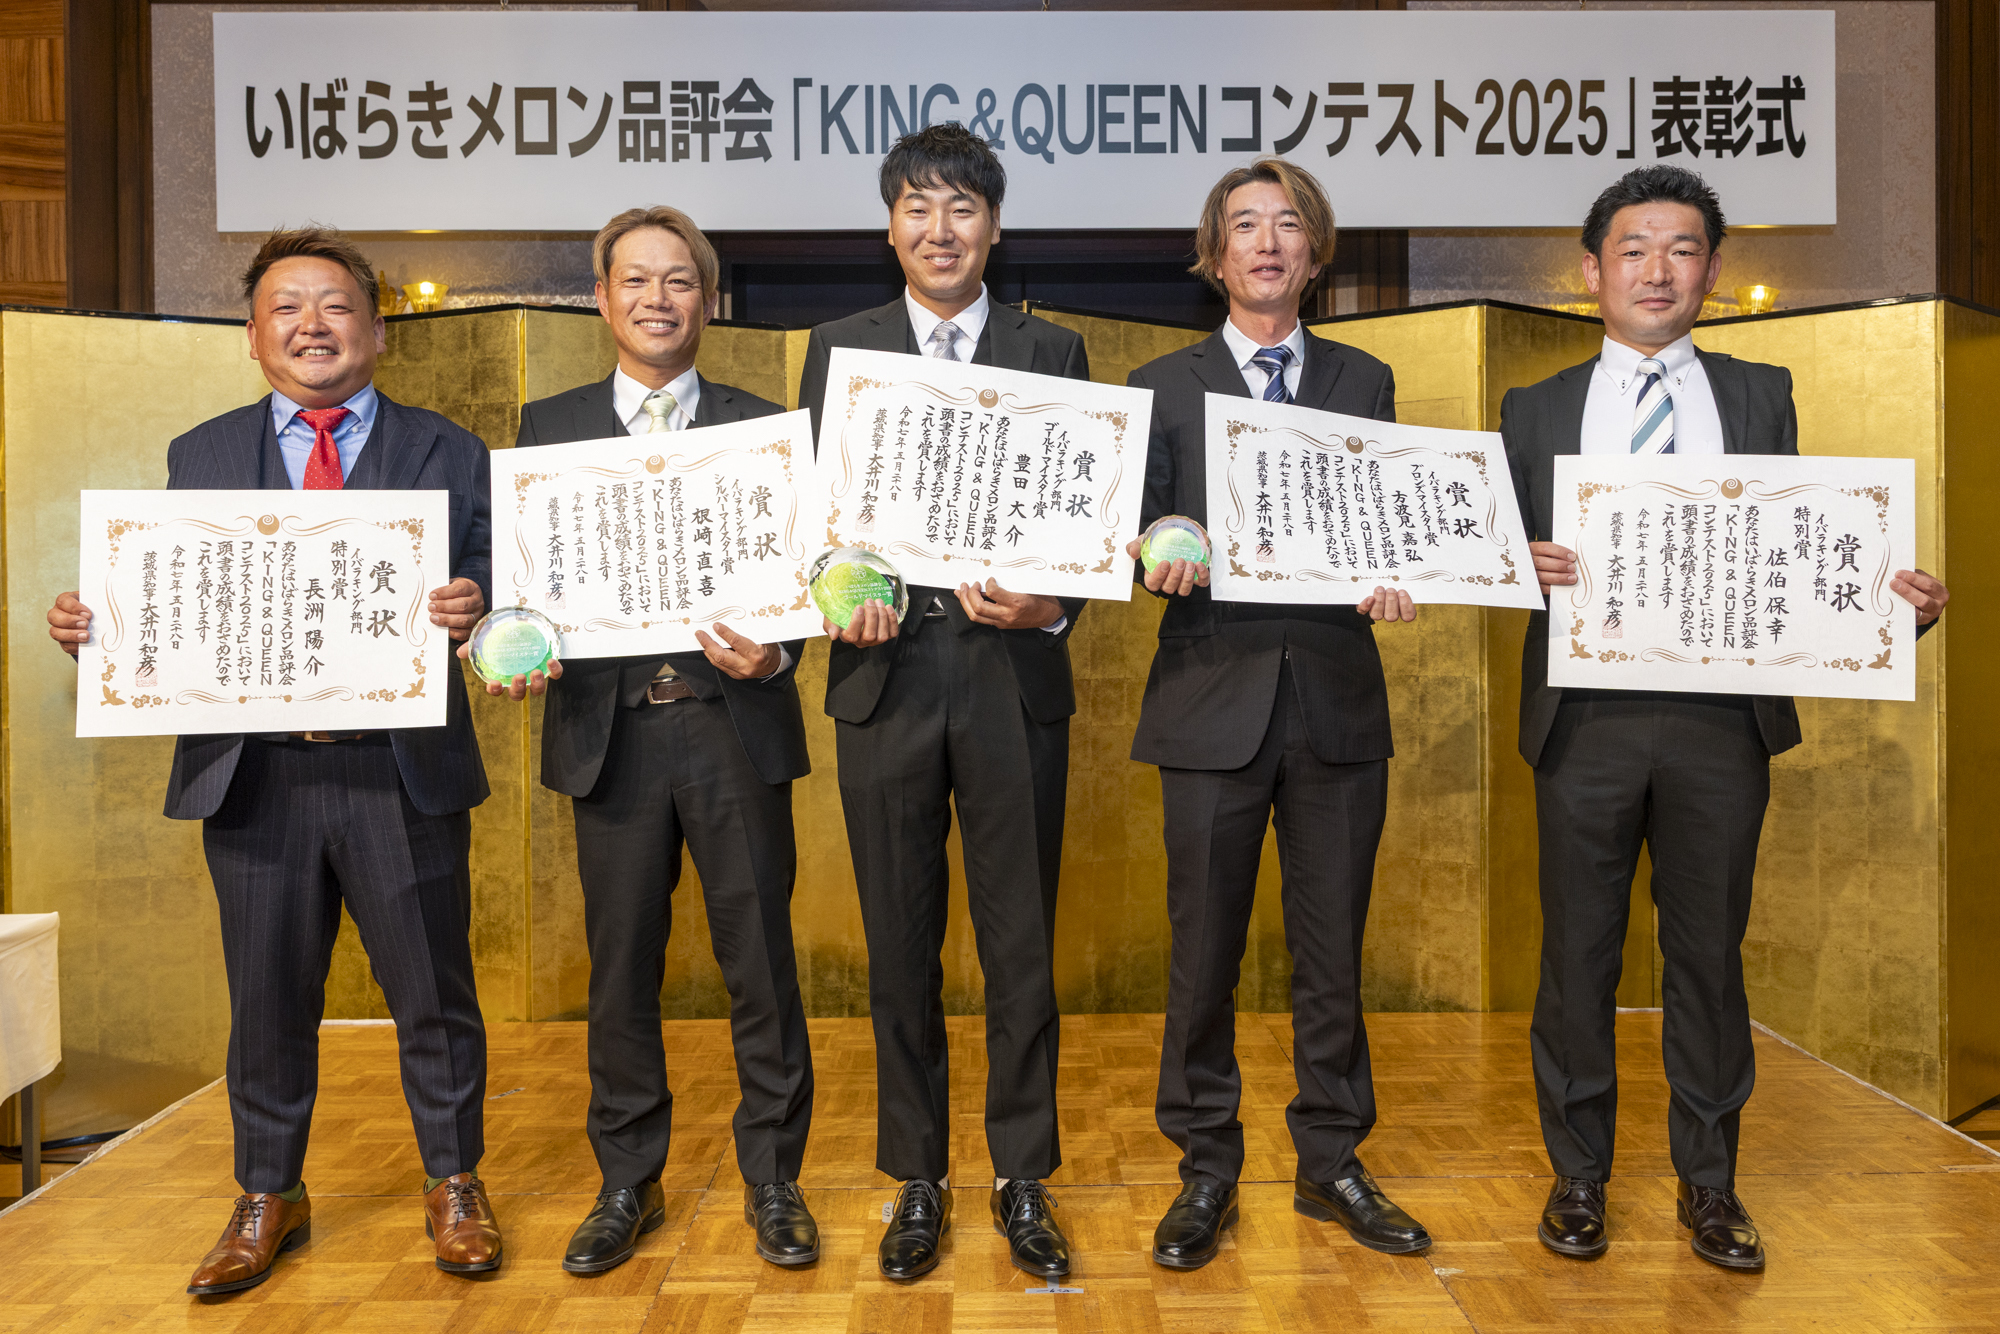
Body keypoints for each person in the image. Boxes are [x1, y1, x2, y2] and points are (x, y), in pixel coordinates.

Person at [1503, 164, 1950, 1273]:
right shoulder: (1534, 405)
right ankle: (1578, 1175)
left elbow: (1791, 553)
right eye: (1633, 249)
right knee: (1577, 958)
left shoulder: (1758, 392)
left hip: (1719, 719)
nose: (1656, 270)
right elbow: (1486, 559)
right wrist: (1518, 565)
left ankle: (1710, 1184)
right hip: (1584, 719)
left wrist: (1888, 610)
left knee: (1706, 957)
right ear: (1591, 271)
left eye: (1682, 248)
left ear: (1711, 270)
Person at [46, 228, 501, 1292]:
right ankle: (267, 1192)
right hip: (256, 776)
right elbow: (174, 594)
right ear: (252, 337)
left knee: (433, 991)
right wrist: (99, 626)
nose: (312, 325)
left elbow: (500, 575)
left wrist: (477, 601)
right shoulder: (199, 454)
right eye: (286, 308)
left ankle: (454, 1180)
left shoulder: (449, 448)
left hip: (400, 770)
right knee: (265, 997)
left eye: (335, 306)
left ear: (377, 330)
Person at [494, 206, 818, 1274]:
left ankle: (775, 1177)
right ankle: (626, 1180)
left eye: (679, 280)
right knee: (621, 969)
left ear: (709, 300)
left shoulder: (764, 429)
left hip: (734, 729)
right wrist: (515, 644)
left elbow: (805, 585)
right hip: (611, 738)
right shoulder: (547, 429)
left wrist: (777, 655)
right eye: (634, 280)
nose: (657, 299)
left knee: (761, 965)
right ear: (601, 299)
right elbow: (520, 588)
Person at [793, 123, 1088, 1282]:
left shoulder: (1050, 349)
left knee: (1021, 949)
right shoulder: (837, 349)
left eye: (961, 208)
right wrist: (837, 597)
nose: (939, 228)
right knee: (898, 946)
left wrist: (1053, 605)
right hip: (886, 681)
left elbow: (1083, 511)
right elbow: (812, 523)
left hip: (1011, 678)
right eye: (917, 207)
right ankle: (916, 1174)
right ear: (889, 228)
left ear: (994, 227)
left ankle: (1021, 1175)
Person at [1124, 158, 1428, 1272]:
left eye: (1286, 224)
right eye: (1243, 225)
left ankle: (1330, 1161)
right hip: (1210, 699)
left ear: (1314, 251)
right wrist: (1155, 548)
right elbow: (1132, 531)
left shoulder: (1364, 379)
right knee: (1200, 953)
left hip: (1337, 700)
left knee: (1331, 953)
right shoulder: (1162, 382)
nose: (1265, 242)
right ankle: (1204, 1165)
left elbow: (1388, 522)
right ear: (1215, 256)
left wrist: (1400, 572)